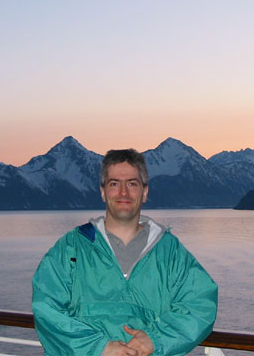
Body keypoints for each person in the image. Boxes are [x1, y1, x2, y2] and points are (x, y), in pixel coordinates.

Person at [32, 149, 218, 356]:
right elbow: (46, 309)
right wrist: (99, 348)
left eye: (132, 183)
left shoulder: (170, 252)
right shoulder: (71, 248)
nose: (123, 192)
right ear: (103, 192)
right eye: (114, 184)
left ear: (144, 192)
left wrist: (155, 339)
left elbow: (200, 305)